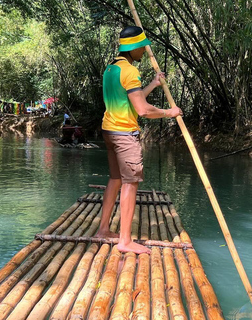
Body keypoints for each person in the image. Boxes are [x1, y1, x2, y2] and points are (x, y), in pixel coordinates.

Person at [95, 26, 182, 254]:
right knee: (130, 183)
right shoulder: (130, 72)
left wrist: (153, 84)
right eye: (142, 47)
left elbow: (132, 99)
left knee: (115, 179)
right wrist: (169, 112)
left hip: (109, 131)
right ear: (133, 47)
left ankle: (103, 229)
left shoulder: (111, 69)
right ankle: (124, 241)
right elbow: (142, 110)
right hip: (124, 134)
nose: (144, 51)